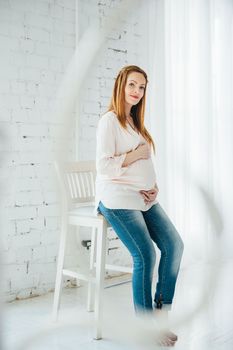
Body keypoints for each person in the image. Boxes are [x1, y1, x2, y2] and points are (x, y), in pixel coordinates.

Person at [95, 65, 184, 346]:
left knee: (174, 245)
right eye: (132, 85)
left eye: (142, 87)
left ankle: (161, 316)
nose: (136, 91)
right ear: (121, 85)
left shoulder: (135, 122)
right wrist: (135, 156)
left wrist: (152, 186)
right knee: (145, 255)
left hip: (142, 197)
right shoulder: (109, 121)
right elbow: (104, 167)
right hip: (116, 197)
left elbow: (145, 164)